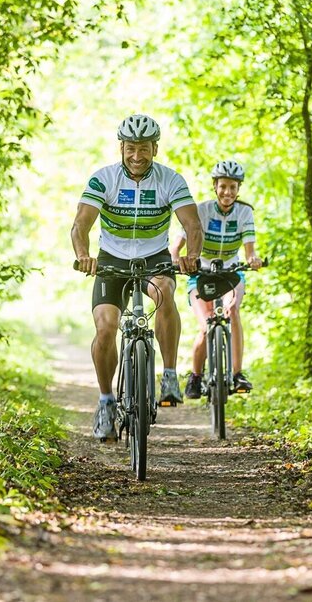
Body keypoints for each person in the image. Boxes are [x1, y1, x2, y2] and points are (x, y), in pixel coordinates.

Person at [72, 114, 203, 441]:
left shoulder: (171, 180)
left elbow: (192, 225)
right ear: (121, 147)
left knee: (164, 291)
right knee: (106, 328)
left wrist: (192, 256)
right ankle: (106, 401)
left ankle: (169, 375)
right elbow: (81, 225)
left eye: (143, 148)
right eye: (131, 148)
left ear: (154, 148)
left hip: (154, 258)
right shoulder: (103, 179)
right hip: (111, 260)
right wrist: (83, 255)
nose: (136, 156)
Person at [170, 160, 263, 399]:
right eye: (223, 186)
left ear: (238, 189)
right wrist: (175, 259)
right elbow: (177, 245)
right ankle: (195, 376)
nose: (227, 192)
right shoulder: (201, 210)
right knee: (206, 325)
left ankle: (237, 374)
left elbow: (249, 251)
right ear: (215, 186)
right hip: (200, 273)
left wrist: (253, 259)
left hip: (231, 272)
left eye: (233, 187)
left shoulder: (244, 212)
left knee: (232, 311)